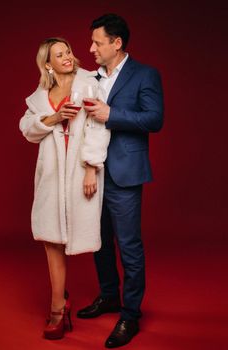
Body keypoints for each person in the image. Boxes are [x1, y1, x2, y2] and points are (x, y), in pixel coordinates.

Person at [77, 14, 164, 348]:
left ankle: (130, 315)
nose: (91, 49)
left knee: (128, 245)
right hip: (91, 171)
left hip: (125, 173)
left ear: (117, 43)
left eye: (97, 42)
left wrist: (112, 115)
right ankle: (109, 296)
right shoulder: (91, 77)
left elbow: (154, 119)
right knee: (98, 241)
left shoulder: (145, 75)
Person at [19, 37, 111, 340]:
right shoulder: (39, 97)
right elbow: (27, 130)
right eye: (60, 55)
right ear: (48, 64)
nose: (68, 57)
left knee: (88, 237)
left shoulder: (90, 83)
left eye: (68, 51)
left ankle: (113, 296)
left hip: (79, 172)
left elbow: (98, 127)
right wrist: (54, 118)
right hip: (51, 175)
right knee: (52, 239)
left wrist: (90, 169)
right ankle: (58, 307)